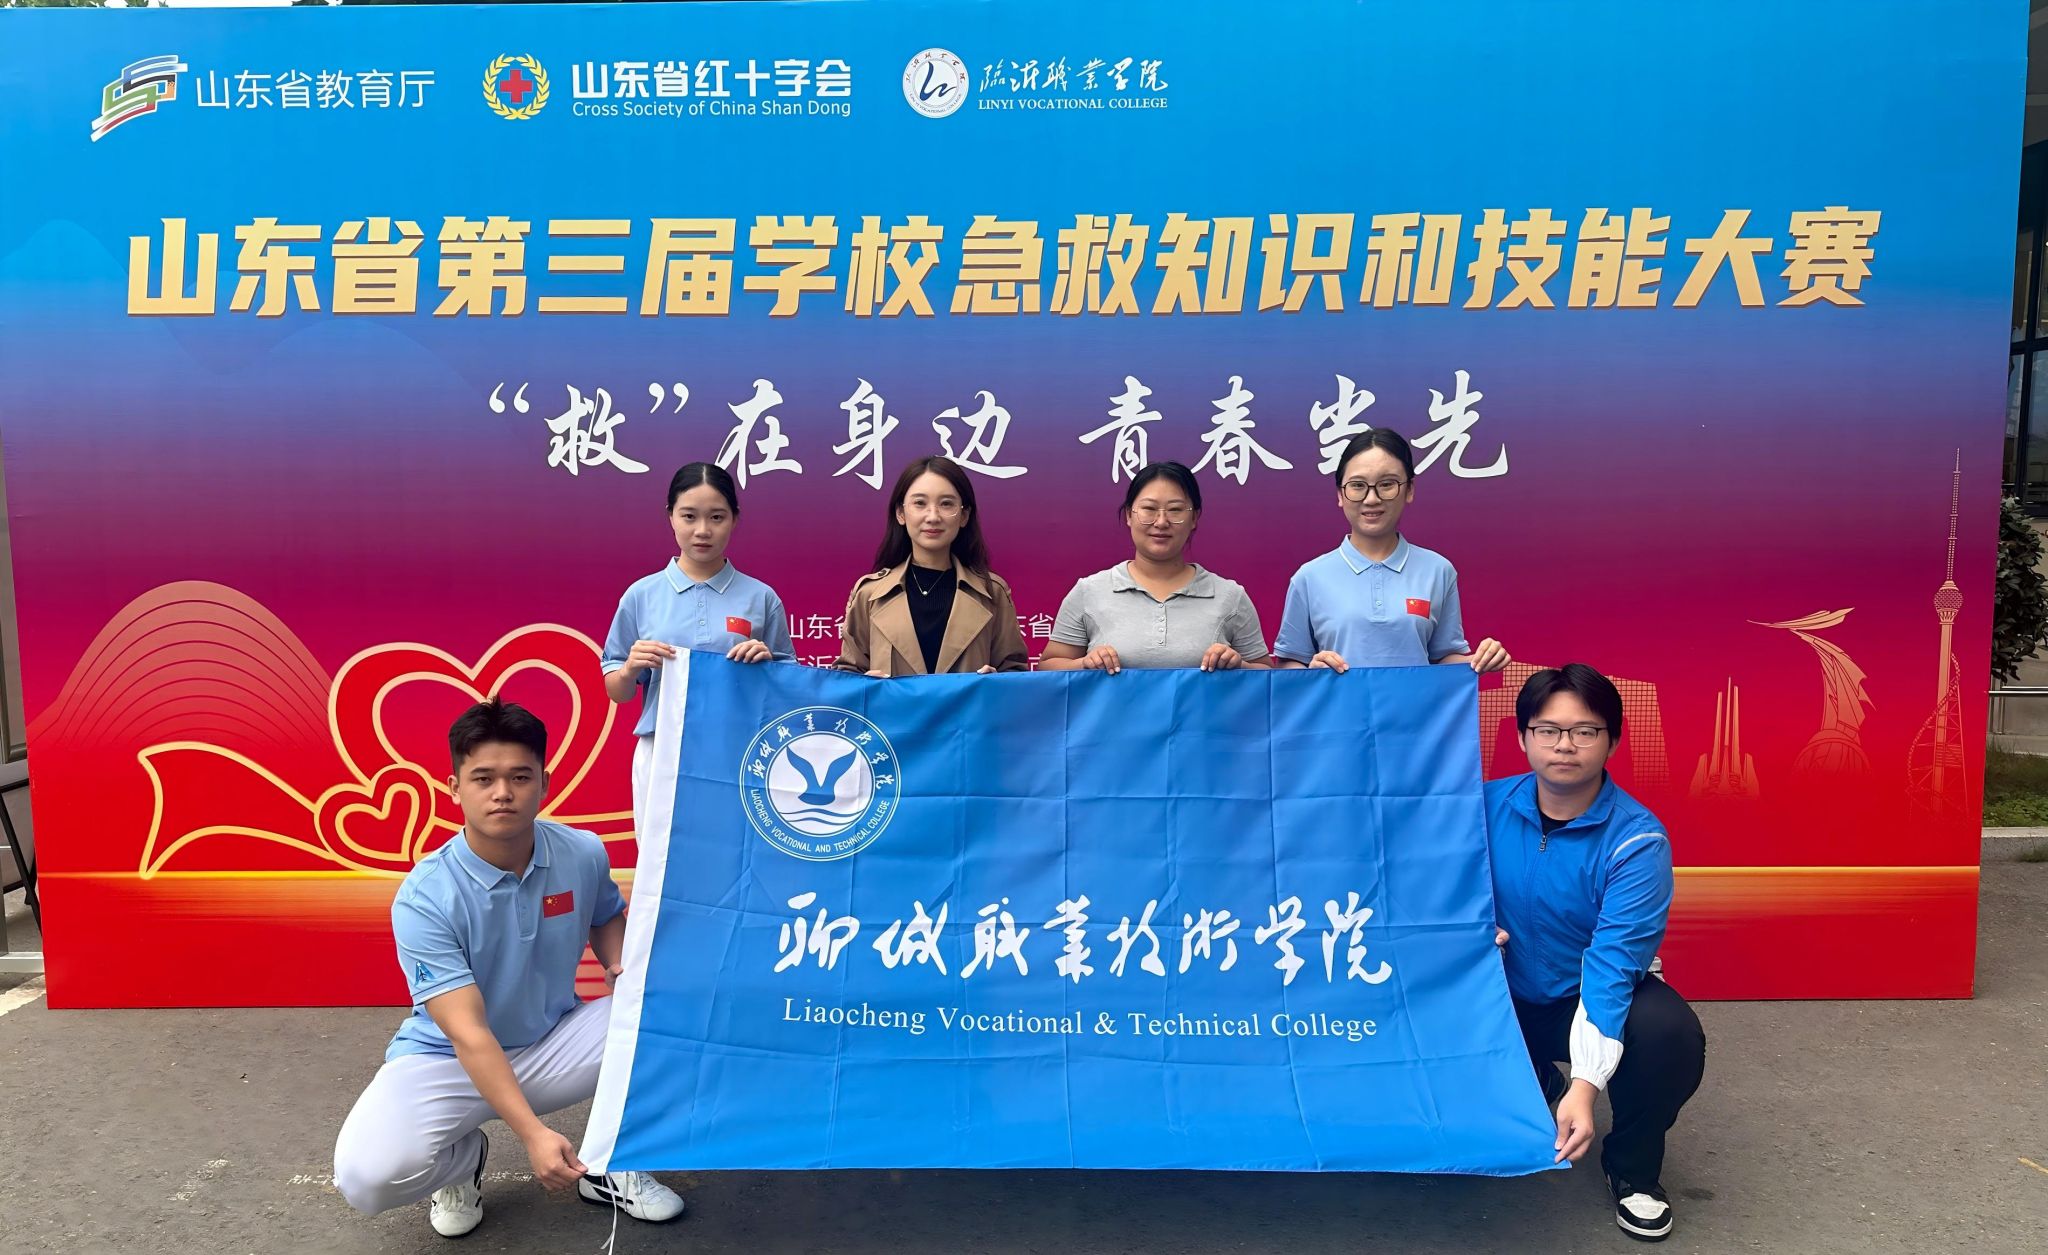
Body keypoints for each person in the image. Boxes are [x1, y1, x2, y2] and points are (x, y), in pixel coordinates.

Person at [333, 699, 684, 1238]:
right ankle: (462, 1162)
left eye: (520, 777)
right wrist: (532, 1134)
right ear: (455, 788)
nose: (503, 792)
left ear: (544, 783)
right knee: (366, 1180)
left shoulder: (582, 852)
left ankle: (611, 1163)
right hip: (447, 1061)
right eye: (484, 778)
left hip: (553, 1041)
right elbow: (469, 1033)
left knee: (672, 1006)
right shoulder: (425, 897)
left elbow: (605, 917)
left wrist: (620, 966)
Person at [1487, 665, 1705, 1243]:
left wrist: (1586, 1085)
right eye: (1548, 729)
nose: (1565, 745)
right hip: (1496, 994)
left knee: (1666, 1034)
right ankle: (1533, 1082)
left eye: (1585, 731)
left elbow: (1611, 966)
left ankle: (1632, 1169)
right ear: (1523, 738)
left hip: (1580, 995)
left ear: (1612, 741)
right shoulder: (1481, 807)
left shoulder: (1638, 839)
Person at [603, 462, 795, 831]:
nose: (702, 530)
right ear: (670, 517)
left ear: (735, 519)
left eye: (717, 517)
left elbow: (788, 685)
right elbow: (617, 691)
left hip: (740, 748)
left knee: (735, 850)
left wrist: (767, 663)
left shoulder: (761, 597)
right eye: (689, 516)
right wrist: (628, 669)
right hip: (663, 748)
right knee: (662, 856)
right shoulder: (642, 595)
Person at [1272, 429, 1509, 673]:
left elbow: (1443, 659)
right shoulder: (1309, 577)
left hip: (1416, 700)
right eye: (1357, 485)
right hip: (1339, 701)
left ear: (1409, 490)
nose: (1372, 499)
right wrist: (1311, 672)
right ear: (1340, 494)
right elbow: (1288, 663)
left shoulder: (1438, 570)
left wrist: (1480, 660)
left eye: (1387, 484)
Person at [1038, 461, 1270, 673]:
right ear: (1129, 515)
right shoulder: (1089, 591)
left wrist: (1239, 665)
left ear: (1194, 518)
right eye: (1149, 509)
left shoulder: (1230, 596)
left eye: (1175, 510)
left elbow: (1268, 675)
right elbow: (1048, 668)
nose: (1161, 522)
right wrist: (1085, 663)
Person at [834, 455, 1028, 677]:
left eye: (946, 504)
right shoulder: (870, 595)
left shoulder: (992, 592)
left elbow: (1015, 674)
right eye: (920, 503)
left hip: (971, 703)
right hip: (890, 703)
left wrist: (997, 683)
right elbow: (846, 676)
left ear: (964, 515)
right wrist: (864, 685)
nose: (933, 516)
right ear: (900, 513)